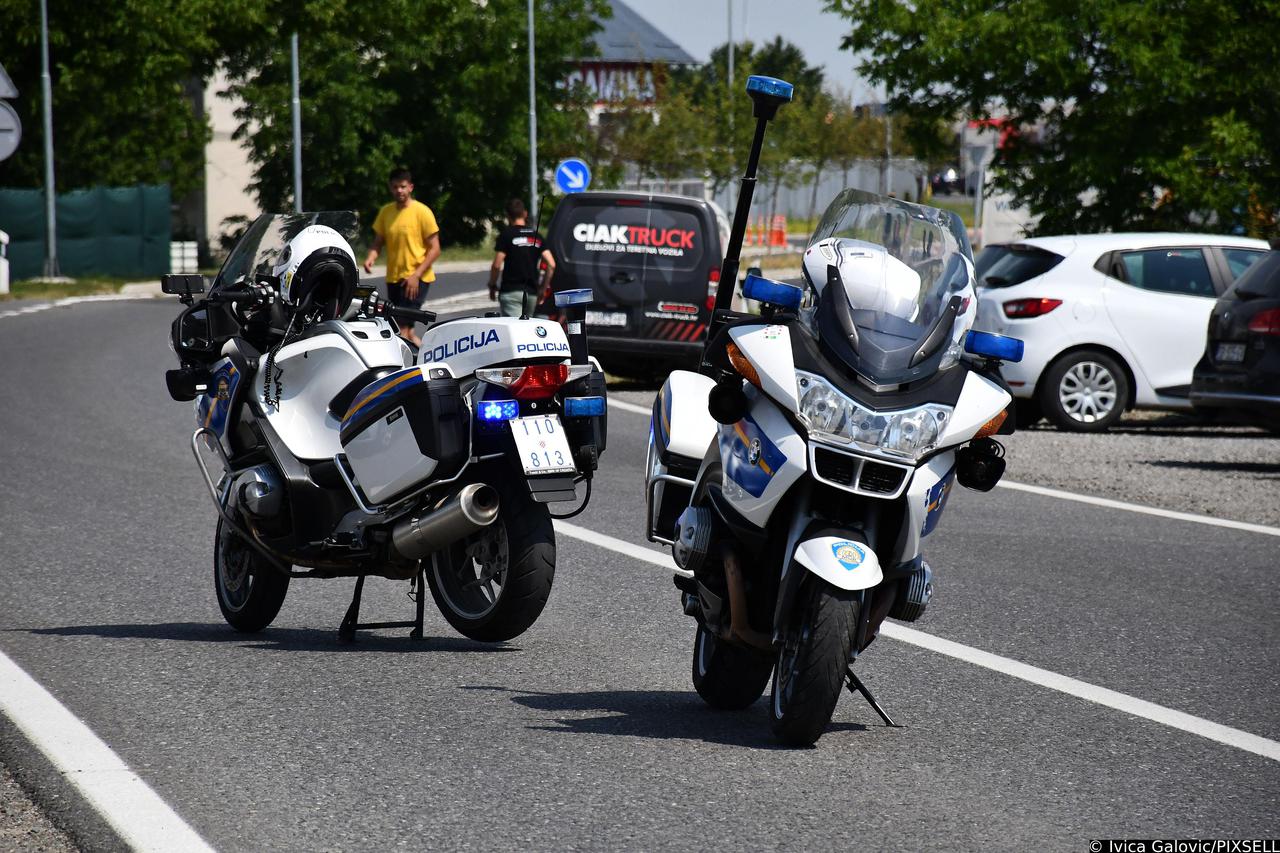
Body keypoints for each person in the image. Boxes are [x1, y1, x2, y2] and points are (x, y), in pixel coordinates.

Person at [363, 167, 440, 346]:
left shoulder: (422, 212)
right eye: (396, 187)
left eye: (403, 186)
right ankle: (422, 354)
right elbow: (378, 241)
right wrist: (371, 257)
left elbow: (435, 249)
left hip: (416, 278)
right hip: (394, 278)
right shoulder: (386, 212)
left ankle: (401, 368)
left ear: (410, 187)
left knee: (400, 327)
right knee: (406, 329)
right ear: (390, 188)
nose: (399, 190)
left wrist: (416, 275)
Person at [487, 198, 555, 318]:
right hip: (531, 294)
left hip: (511, 292)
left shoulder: (506, 235)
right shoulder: (536, 236)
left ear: (508, 216)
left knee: (515, 332)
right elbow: (551, 264)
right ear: (525, 214)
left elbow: (497, 265)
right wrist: (543, 289)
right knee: (527, 330)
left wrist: (492, 285)